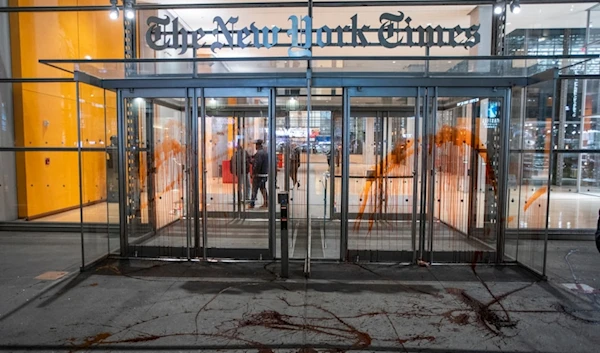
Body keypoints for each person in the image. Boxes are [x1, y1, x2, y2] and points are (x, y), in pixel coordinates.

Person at [249, 139, 268, 209]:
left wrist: (254, 173)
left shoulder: (259, 154)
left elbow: (257, 164)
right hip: (264, 174)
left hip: (258, 175)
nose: (255, 147)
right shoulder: (265, 153)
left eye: (256, 145)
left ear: (258, 145)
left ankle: (252, 204)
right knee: (263, 188)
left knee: (254, 189)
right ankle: (266, 202)